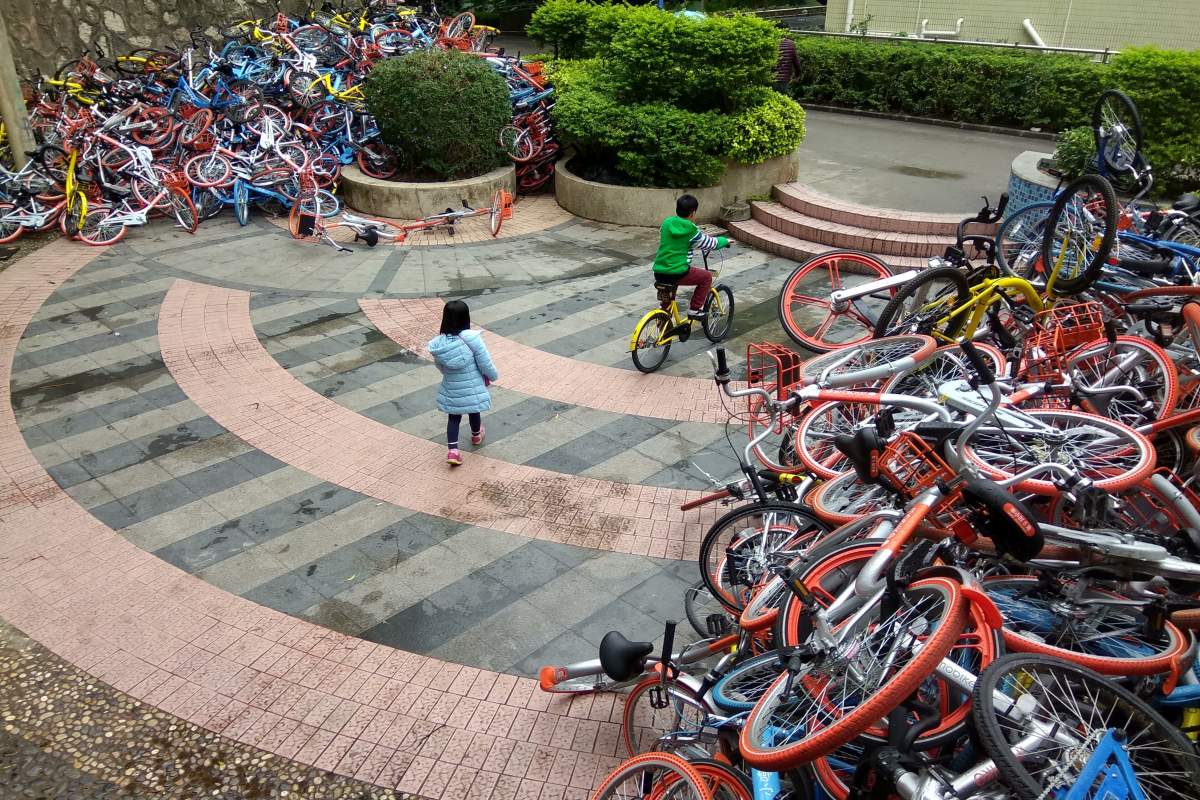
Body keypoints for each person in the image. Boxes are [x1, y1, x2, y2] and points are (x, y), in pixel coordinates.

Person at [428, 300, 499, 466]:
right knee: (474, 410)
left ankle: (453, 451)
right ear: (466, 317)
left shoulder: (439, 343)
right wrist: (493, 375)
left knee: (454, 417)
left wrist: (449, 374)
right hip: (473, 383)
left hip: (451, 385)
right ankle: (476, 434)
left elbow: (439, 365)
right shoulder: (471, 338)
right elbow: (484, 362)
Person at [652, 194, 732, 319]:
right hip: (677, 272)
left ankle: (662, 330)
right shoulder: (691, 230)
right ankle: (694, 310)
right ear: (693, 213)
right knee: (706, 277)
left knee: (666, 306)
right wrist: (724, 241)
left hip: (659, 271)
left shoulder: (667, 223)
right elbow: (709, 243)